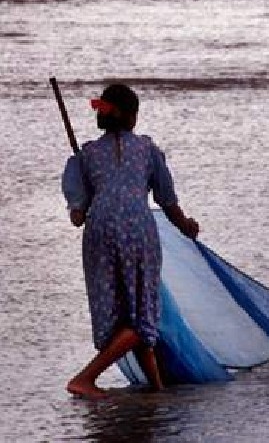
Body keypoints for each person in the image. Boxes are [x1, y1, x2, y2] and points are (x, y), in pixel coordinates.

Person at [62, 83, 200, 399]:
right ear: (132, 117)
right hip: (138, 231)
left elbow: (77, 217)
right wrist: (186, 226)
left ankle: (157, 389)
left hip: (99, 233)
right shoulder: (148, 151)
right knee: (142, 315)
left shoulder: (87, 156)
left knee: (127, 315)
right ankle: (85, 378)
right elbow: (167, 200)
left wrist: (84, 186)